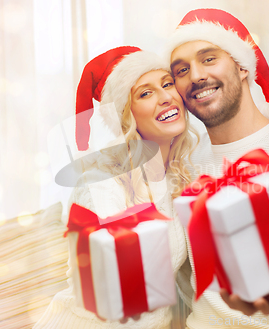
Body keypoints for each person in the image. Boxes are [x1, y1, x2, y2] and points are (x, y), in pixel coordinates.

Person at [166, 9, 269, 329]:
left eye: (208, 58)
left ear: (242, 66)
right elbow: (186, 278)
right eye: (182, 70)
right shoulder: (187, 162)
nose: (196, 76)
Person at [34, 46, 197, 329]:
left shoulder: (178, 175)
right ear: (126, 116)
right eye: (145, 93)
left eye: (167, 84)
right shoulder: (102, 181)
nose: (165, 97)